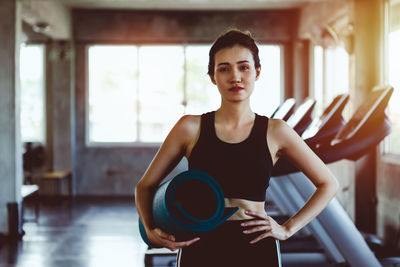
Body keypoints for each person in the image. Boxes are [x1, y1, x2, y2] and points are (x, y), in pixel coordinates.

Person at [134, 29, 339, 267]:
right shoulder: (190, 127)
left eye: (244, 67)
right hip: (201, 244)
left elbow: (328, 184)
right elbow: (145, 186)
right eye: (224, 68)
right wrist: (149, 229)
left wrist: (287, 229)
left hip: (256, 244)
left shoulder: (277, 131)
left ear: (257, 72)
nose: (235, 77)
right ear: (212, 76)